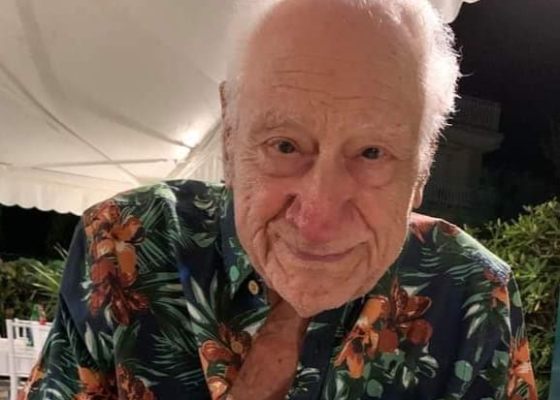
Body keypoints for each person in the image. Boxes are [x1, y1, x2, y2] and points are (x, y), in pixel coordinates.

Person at [21, 0, 537, 399]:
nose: (318, 217)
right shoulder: (123, 242)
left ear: (422, 167)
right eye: (285, 145)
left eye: (372, 152)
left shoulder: (472, 291)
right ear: (230, 137)